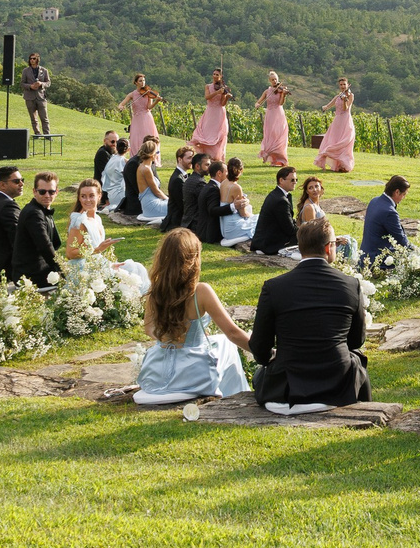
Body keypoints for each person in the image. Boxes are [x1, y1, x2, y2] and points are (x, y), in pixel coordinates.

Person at [249, 219, 373, 412]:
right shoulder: (350, 285)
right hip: (337, 383)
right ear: (328, 248)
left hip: (287, 385)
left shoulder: (274, 287)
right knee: (357, 360)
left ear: (300, 247)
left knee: (261, 374)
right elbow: (356, 341)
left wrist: (272, 358)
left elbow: (259, 345)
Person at [135, 229, 254, 403]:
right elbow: (233, 333)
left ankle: (234, 395)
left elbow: (149, 329)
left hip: (156, 373)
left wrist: (170, 337)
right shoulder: (200, 291)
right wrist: (264, 352)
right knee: (227, 343)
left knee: (219, 340)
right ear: (193, 259)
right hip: (192, 374)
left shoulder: (156, 290)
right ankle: (240, 397)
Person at [10, 172, 64, 288]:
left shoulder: (42, 210)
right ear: (34, 191)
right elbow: (44, 246)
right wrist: (63, 270)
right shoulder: (33, 213)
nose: (47, 195)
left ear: (57, 192)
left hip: (38, 272)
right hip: (31, 277)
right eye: (42, 191)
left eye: (51, 192)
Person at [249, 166, 300, 256]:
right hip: (269, 244)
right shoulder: (281, 200)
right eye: (292, 180)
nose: (295, 182)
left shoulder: (276, 194)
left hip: (265, 239)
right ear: (281, 180)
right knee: (307, 238)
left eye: (296, 179)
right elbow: (290, 229)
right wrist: (306, 230)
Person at [361, 175, 410, 262]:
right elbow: (401, 239)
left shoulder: (374, 201)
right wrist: (416, 252)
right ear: (397, 192)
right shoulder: (389, 212)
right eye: (404, 194)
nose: (404, 198)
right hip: (376, 259)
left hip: (364, 254)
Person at [316, 76, 358, 172]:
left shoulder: (350, 95)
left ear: (347, 85)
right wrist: (324, 107)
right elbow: (328, 105)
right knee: (333, 140)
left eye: (344, 84)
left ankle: (344, 165)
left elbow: (345, 108)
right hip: (337, 122)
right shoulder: (338, 96)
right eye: (341, 85)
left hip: (346, 120)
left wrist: (345, 100)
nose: (343, 86)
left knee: (344, 142)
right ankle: (337, 165)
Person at [123, 135, 168, 224]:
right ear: (152, 154)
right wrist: (169, 200)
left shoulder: (143, 166)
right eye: (157, 152)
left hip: (150, 203)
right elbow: (156, 191)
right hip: (150, 205)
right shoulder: (145, 168)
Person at [188, 68, 231, 159]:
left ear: (221, 76)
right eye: (214, 74)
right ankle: (206, 155)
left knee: (218, 134)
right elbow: (207, 97)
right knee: (207, 133)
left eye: (217, 75)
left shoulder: (224, 87)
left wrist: (226, 97)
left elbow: (222, 103)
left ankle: (216, 155)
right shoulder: (208, 86)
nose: (215, 76)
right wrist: (217, 92)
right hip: (210, 112)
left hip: (219, 113)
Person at [65, 177, 111, 255]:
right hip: (82, 266)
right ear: (79, 198)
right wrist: (97, 250)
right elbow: (70, 253)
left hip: (96, 263)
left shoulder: (97, 218)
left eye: (91, 196)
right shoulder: (80, 221)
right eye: (83, 196)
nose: (88, 200)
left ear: (99, 196)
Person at [255, 72, 291, 166]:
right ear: (269, 81)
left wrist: (283, 94)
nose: (274, 81)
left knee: (278, 135)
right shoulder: (267, 91)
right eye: (272, 80)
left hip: (278, 114)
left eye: (275, 79)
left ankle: (281, 159)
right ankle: (273, 158)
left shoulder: (280, 90)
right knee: (270, 135)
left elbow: (281, 103)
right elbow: (259, 101)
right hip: (270, 115)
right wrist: (257, 104)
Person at [120, 75, 159, 152]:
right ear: (136, 83)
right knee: (136, 137)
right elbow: (121, 104)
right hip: (137, 118)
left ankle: (151, 154)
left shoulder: (148, 93)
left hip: (147, 117)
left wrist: (157, 101)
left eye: (144, 80)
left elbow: (149, 107)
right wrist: (121, 107)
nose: (143, 83)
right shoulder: (132, 94)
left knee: (149, 136)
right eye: (140, 81)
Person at [20, 51, 52, 138]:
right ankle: (37, 133)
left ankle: (47, 134)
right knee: (33, 118)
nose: (32, 60)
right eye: (30, 59)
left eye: (34, 58)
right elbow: (22, 83)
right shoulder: (25, 71)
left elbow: (48, 82)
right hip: (29, 97)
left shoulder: (44, 70)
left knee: (44, 117)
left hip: (41, 97)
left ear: (37, 59)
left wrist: (41, 84)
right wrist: (30, 86)